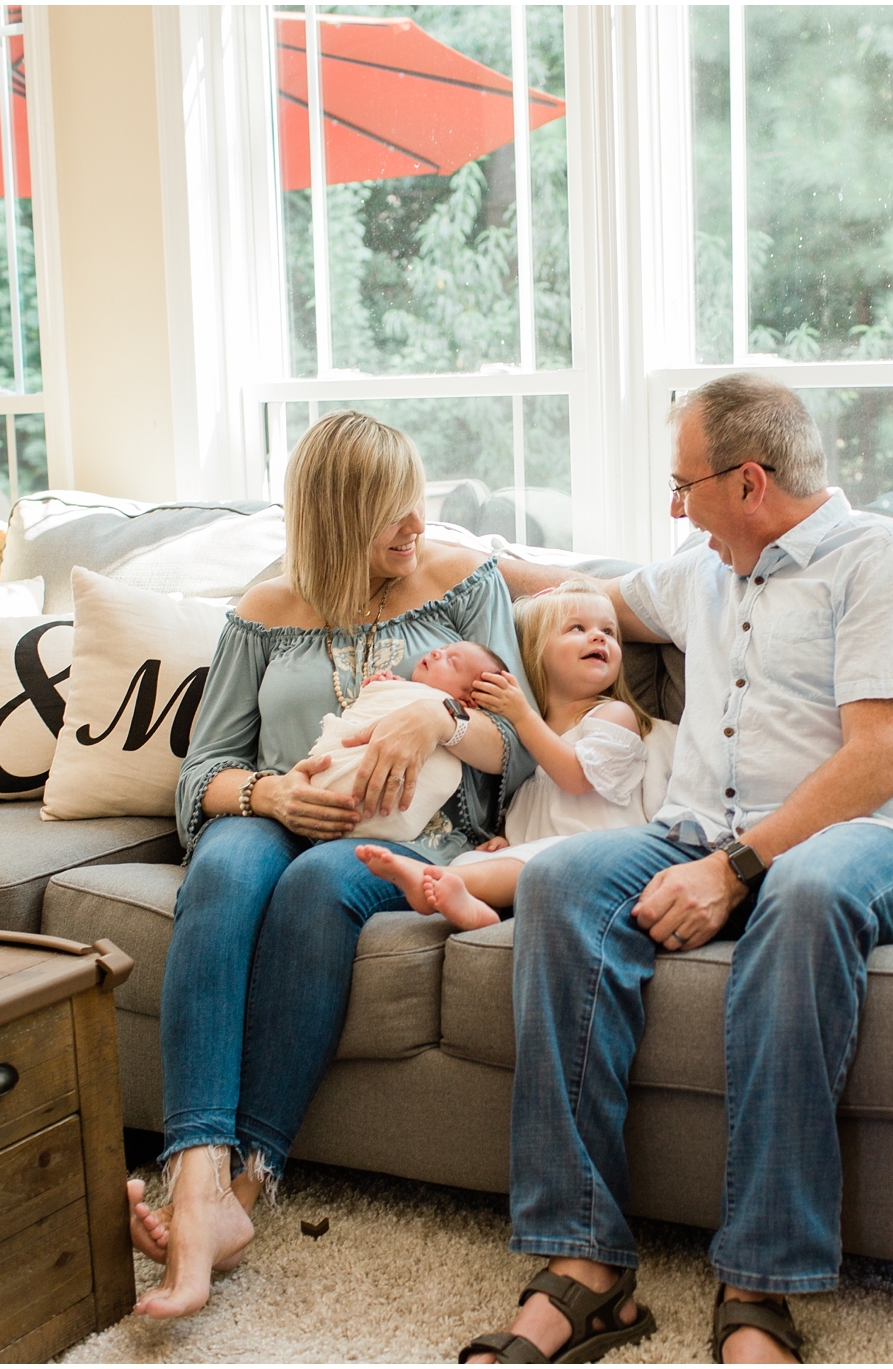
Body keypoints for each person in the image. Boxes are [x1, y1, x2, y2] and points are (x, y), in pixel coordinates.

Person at [466, 374, 893, 1364]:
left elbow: (878, 761)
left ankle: (759, 1287)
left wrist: (734, 870)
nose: (669, 506)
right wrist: (446, 561)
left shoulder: (882, 563)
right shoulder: (703, 570)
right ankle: (586, 1268)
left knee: (806, 892)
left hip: (876, 837)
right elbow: (584, 589)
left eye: (679, 483)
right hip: (701, 831)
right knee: (562, 882)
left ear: (746, 481)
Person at [129, 409, 535, 1320]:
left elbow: (523, 747)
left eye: (418, 502)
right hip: (283, 804)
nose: (415, 525)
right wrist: (269, 796)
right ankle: (195, 1183)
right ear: (337, 513)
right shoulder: (266, 610)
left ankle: (246, 1190)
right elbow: (203, 772)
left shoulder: (465, 585)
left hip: (417, 836)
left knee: (317, 883)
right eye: (392, 509)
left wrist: (440, 717)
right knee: (229, 868)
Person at [357, 577, 678, 930]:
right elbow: (537, 808)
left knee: (536, 862)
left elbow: (574, 778)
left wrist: (522, 715)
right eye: (577, 628)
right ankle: (477, 912)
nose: (599, 636)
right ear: (535, 651)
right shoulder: (525, 743)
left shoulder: (611, 714)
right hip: (539, 857)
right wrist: (507, 839)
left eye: (610, 632)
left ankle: (432, 877)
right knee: (471, 860)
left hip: (598, 855)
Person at [306, 639, 509, 842]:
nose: (437, 652)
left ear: (466, 703)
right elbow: (370, 707)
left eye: (452, 662)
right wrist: (380, 686)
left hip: (373, 809)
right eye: (443, 649)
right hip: (317, 780)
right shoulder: (398, 688)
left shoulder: (453, 712)